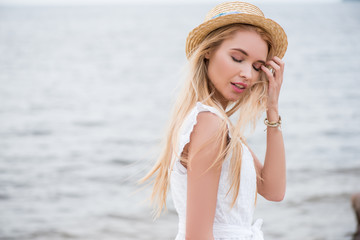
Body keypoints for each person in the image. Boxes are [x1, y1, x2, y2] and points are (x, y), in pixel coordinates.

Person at [138, 1, 288, 239]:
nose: (248, 74)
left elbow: (274, 189)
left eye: (257, 66)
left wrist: (272, 108)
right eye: (238, 58)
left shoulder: (218, 122)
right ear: (208, 50)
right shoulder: (210, 124)